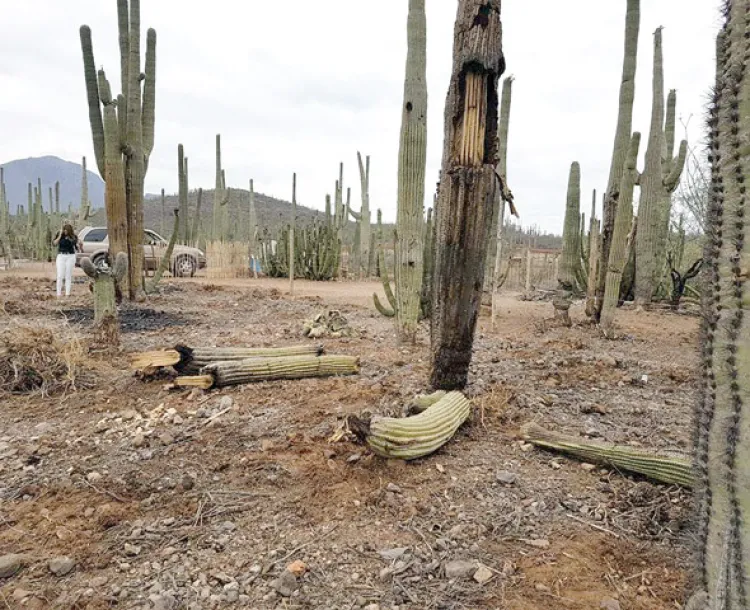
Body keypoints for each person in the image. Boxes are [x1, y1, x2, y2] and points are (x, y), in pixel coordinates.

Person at [52, 222, 81, 297]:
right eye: (64, 230)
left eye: (66, 230)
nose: (65, 231)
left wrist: (70, 239)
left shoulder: (73, 236)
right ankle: (58, 294)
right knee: (60, 275)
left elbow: (75, 244)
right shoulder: (60, 235)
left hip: (70, 256)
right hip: (61, 256)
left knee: (68, 276)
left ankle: (67, 294)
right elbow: (54, 243)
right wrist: (60, 235)